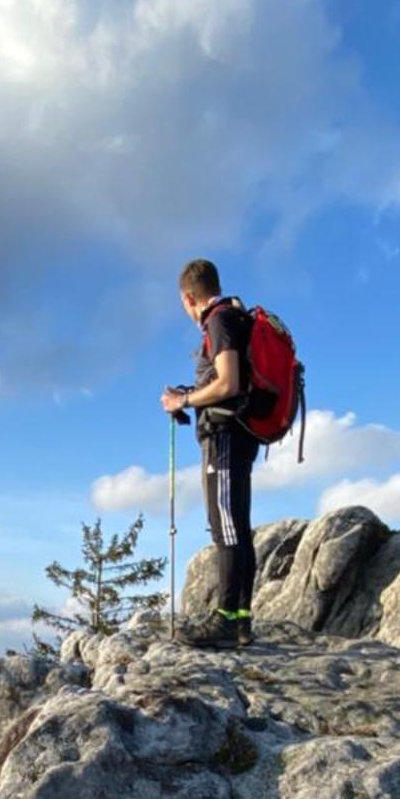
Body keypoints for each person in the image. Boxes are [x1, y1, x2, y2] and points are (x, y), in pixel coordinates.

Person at [161, 258, 257, 649]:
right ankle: (241, 620)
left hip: (224, 437)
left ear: (188, 298)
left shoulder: (218, 321)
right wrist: (190, 397)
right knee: (237, 525)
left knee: (227, 528)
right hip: (241, 433)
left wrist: (183, 398)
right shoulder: (235, 317)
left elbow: (229, 383)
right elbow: (226, 380)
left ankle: (225, 621)